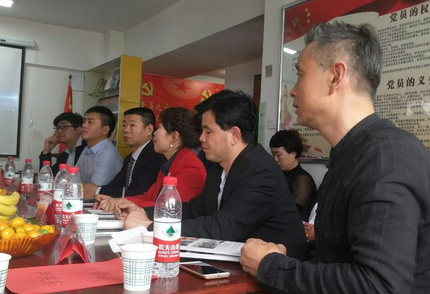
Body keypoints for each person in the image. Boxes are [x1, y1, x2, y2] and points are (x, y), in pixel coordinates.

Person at [204, 21, 430, 294]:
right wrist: (284, 254)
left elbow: (378, 291)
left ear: (336, 76)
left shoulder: (386, 155)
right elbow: (339, 253)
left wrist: (271, 266)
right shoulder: (351, 152)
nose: (292, 91)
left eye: (300, 75)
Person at [118, 90, 305, 245]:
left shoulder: (260, 171)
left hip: (278, 268)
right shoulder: (218, 167)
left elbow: (223, 227)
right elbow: (195, 209)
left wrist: (151, 227)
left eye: (208, 131)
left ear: (234, 134)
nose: (201, 138)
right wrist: (143, 212)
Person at [96, 107, 206, 211]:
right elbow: (148, 197)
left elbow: (170, 208)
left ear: (174, 137)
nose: (155, 133)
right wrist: (119, 201)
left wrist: (123, 204)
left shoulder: (189, 166)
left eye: (160, 127)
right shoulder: (172, 163)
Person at [94, 107, 166, 199]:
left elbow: (141, 193)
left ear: (149, 129)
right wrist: (98, 190)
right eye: (124, 125)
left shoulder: (156, 157)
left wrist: (97, 190)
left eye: (132, 125)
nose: (126, 130)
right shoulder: (129, 158)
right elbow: (116, 185)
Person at [77, 106, 123, 199]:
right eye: (84, 121)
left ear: (105, 130)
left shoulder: (108, 153)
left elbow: (93, 191)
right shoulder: (87, 149)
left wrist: (78, 186)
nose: (84, 125)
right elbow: (72, 179)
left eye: (90, 122)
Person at [269, 129, 316, 211]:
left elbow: (293, 211)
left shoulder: (303, 180)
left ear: (293, 154)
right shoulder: (275, 174)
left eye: (278, 154)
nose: (275, 159)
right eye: (273, 154)